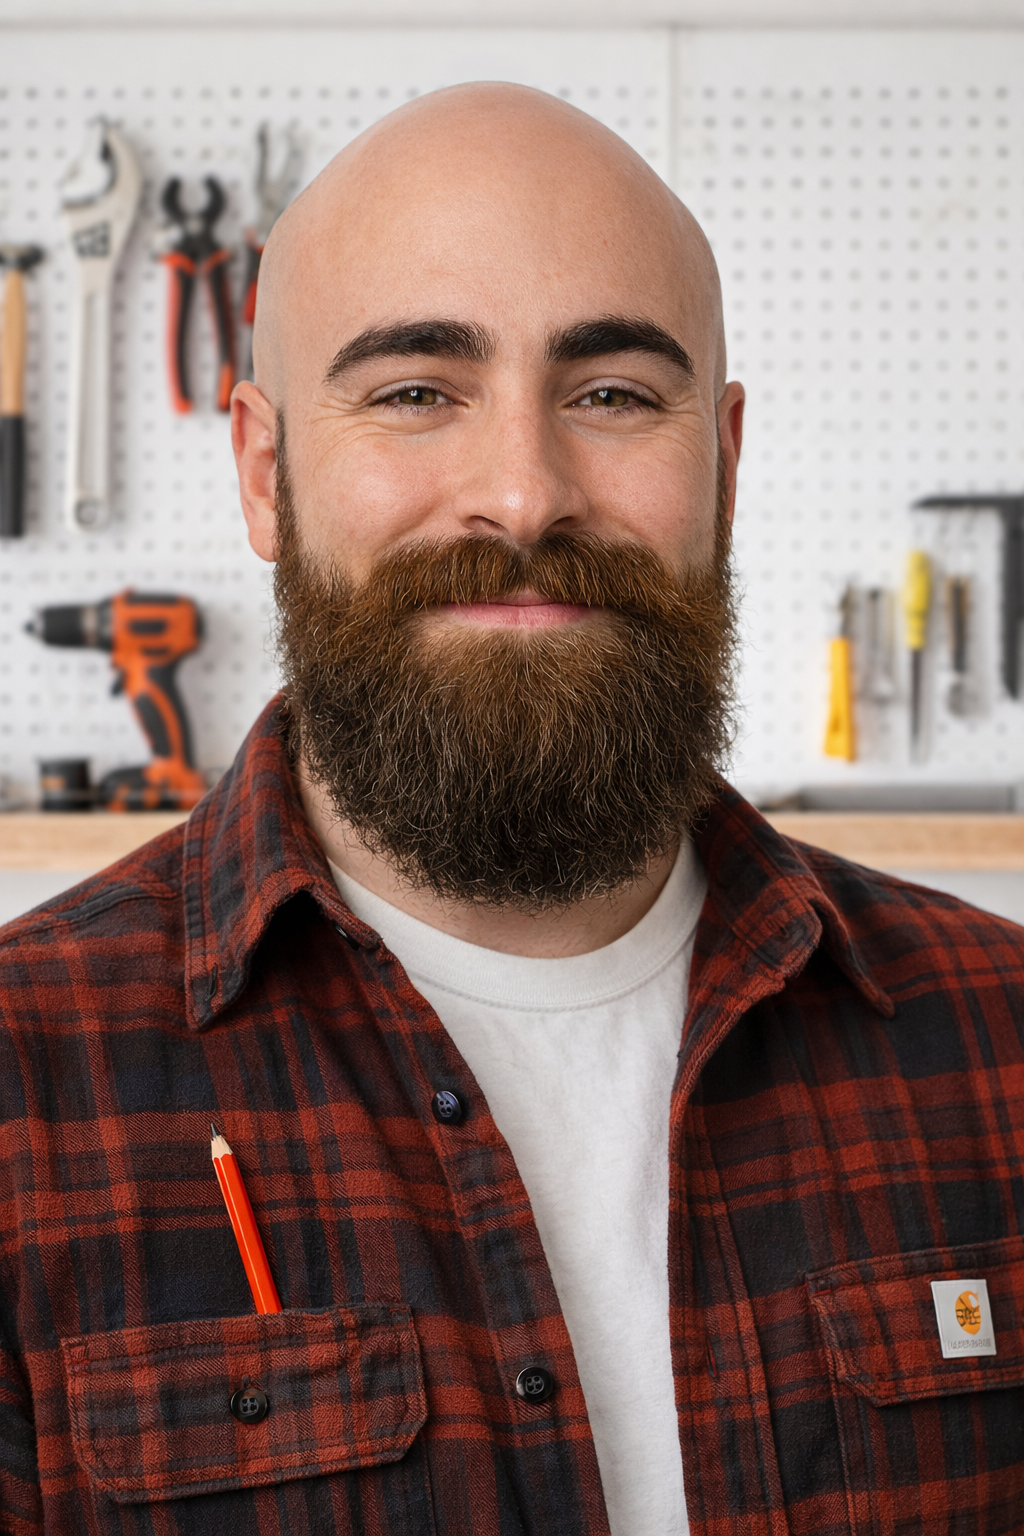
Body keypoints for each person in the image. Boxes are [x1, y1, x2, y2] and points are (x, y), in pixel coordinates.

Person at [0, 82, 1022, 1536]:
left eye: (611, 394)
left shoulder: (1001, 1042)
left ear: (724, 466)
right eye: (417, 391)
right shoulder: (25, 1091)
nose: (526, 494)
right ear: (264, 470)